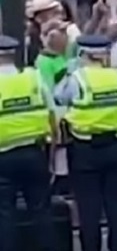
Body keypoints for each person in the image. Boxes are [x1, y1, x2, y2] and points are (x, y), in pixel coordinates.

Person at [56, 34, 117, 251]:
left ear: (82, 54)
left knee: (89, 211)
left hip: (86, 150)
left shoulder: (76, 79)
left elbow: (59, 97)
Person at [0, 34, 56, 251]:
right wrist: (50, 159)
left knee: (5, 216)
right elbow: (52, 118)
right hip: (34, 153)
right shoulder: (33, 78)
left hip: (3, 158)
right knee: (42, 212)